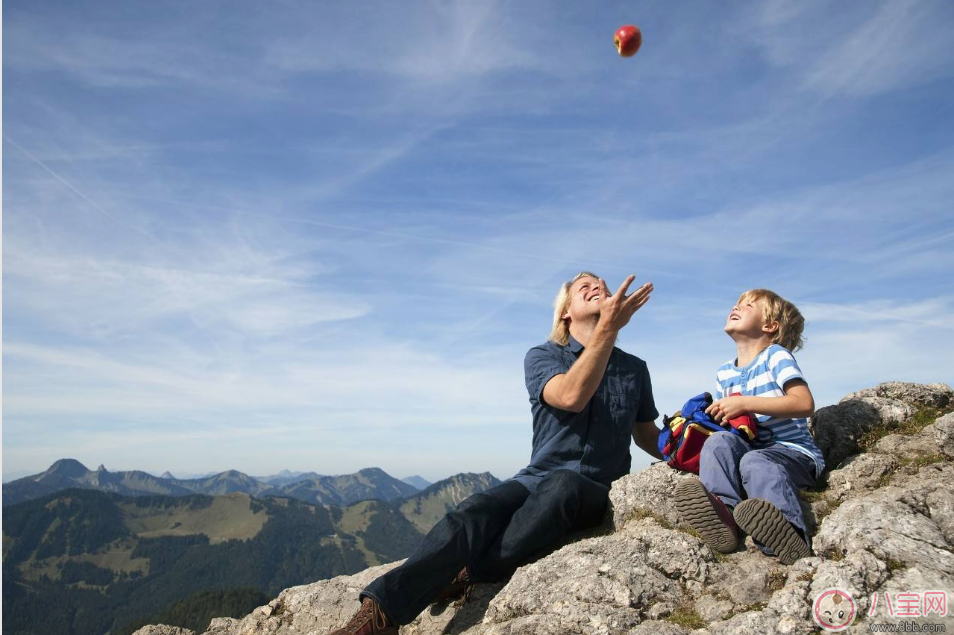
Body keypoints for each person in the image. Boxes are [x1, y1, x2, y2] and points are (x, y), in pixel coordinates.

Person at [326, 272, 661, 635]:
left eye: (603, 286)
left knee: (563, 486)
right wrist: (607, 331)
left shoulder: (634, 369)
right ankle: (378, 616)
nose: (598, 287)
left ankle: (470, 572)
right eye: (585, 286)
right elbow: (569, 395)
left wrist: (691, 453)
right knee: (472, 511)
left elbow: (647, 435)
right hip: (537, 478)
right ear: (565, 312)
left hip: (594, 489)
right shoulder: (543, 357)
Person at [675, 289, 824, 566]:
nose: (736, 307)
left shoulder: (775, 356)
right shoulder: (724, 372)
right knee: (718, 442)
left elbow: (804, 403)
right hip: (750, 450)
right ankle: (723, 515)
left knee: (756, 462)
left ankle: (788, 533)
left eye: (748, 305)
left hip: (792, 452)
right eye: (737, 303)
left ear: (770, 326)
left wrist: (744, 403)